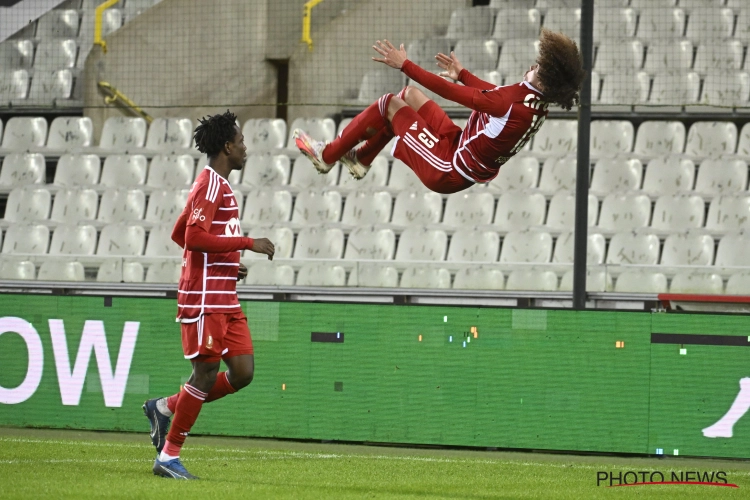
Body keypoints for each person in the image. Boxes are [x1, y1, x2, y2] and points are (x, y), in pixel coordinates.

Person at [142, 111, 275, 480]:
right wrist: (247, 243)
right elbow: (192, 238)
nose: (246, 147)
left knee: (243, 372)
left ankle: (166, 407)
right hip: (203, 301)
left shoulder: (217, 185)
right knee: (205, 373)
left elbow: (180, 232)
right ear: (227, 146)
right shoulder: (211, 185)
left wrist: (229, 262)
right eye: (242, 141)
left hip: (224, 297)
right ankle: (169, 457)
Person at [294, 29, 585, 194]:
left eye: (538, 67)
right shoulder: (536, 104)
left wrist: (405, 65)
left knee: (389, 104)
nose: (533, 67)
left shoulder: (513, 103)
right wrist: (464, 74)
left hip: (448, 167)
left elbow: (453, 94)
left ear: (545, 77)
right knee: (408, 96)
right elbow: (492, 97)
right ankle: (361, 158)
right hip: (458, 143)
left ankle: (327, 156)